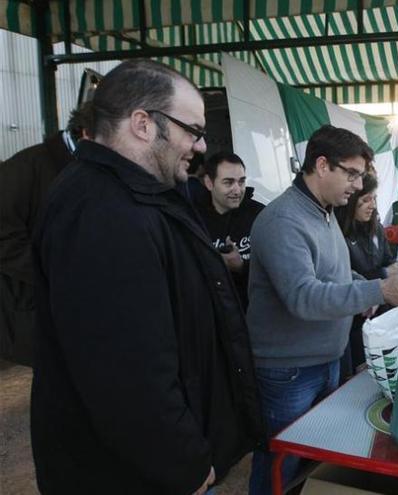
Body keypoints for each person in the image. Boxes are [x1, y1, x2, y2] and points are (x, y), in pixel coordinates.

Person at [30, 59, 263, 494]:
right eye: (191, 130)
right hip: (131, 476)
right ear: (142, 123)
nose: (199, 145)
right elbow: (125, 374)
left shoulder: (133, 196)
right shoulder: (103, 212)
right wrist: (184, 463)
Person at [246, 124, 398, 494]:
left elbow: (337, 273)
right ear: (322, 165)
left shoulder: (324, 212)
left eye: (361, 176)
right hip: (288, 370)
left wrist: (365, 287)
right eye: (352, 174)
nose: (359, 186)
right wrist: (377, 289)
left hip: (325, 359)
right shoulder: (283, 220)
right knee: (280, 463)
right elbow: (304, 297)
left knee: (314, 462)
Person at [0, 103, 91, 366]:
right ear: (86, 133)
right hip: (31, 310)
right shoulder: (26, 168)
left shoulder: (86, 167)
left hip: (67, 306)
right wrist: (59, 270)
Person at [335, 172, 397, 379]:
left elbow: (388, 261)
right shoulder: (337, 233)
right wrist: (382, 276)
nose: (372, 205)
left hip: (380, 321)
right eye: (365, 200)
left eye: (374, 199)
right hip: (352, 324)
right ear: (351, 201)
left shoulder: (376, 228)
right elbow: (342, 276)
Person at [196, 151, 265, 311]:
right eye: (228, 182)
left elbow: (277, 270)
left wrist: (241, 266)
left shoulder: (260, 215)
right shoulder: (194, 220)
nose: (237, 190)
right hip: (213, 315)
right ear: (209, 183)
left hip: (253, 312)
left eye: (241, 182)